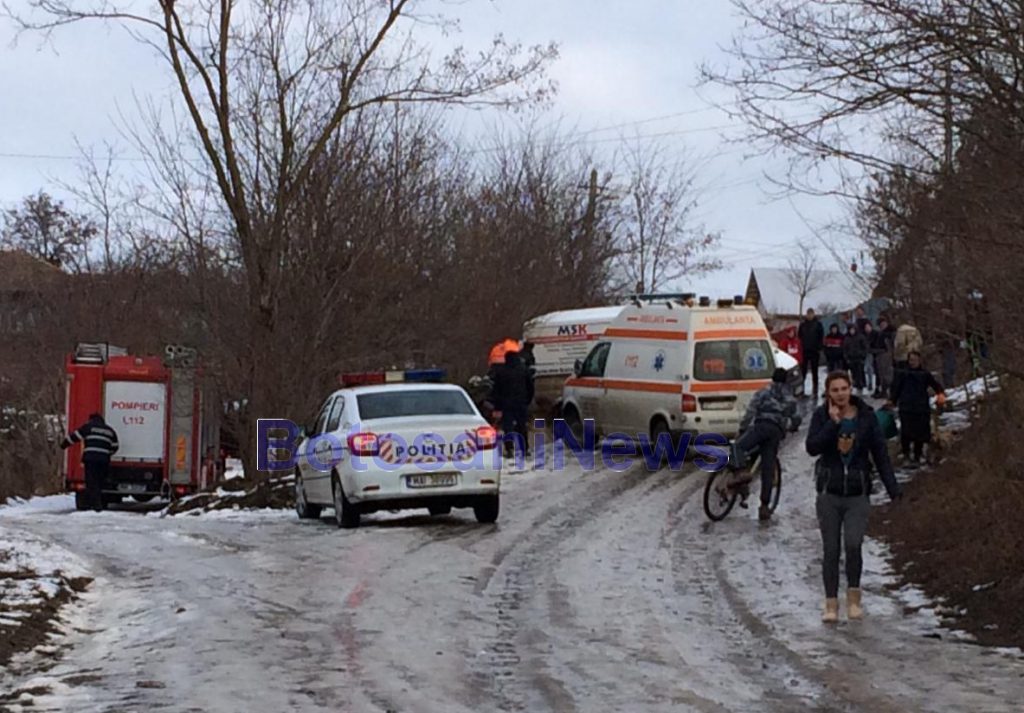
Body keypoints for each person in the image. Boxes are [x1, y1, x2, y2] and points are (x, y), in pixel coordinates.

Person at [806, 371, 902, 623]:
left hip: (857, 493)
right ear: (828, 393)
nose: (840, 394)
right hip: (829, 492)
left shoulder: (866, 417)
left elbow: (880, 454)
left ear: (850, 390)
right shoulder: (820, 415)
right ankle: (830, 604)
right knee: (831, 549)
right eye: (834, 390)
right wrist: (832, 424)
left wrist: (894, 490)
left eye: (843, 388)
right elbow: (812, 447)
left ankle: (854, 598)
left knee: (853, 543)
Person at [734, 367, 800, 521]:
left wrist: (743, 428)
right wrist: (792, 427)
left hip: (760, 427)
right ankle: (764, 506)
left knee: (737, 448)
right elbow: (796, 417)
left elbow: (751, 411)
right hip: (776, 432)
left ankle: (740, 475)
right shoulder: (789, 397)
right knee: (768, 469)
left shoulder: (763, 392)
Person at [889, 350, 946, 468]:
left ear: (919, 360)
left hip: (921, 408)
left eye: (915, 359)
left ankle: (917, 455)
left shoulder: (924, 374)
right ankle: (906, 455)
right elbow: (896, 389)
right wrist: (892, 401)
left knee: (920, 433)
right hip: (906, 407)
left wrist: (940, 394)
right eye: (911, 360)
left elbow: (935, 385)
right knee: (906, 432)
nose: (913, 362)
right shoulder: (903, 374)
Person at [61, 412, 120, 512]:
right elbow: (115, 447)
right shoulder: (110, 430)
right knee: (99, 481)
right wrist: (106, 454)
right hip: (103, 461)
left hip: (90, 459)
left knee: (91, 482)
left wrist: (63, 445)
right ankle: (99, 503)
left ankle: (96, 505)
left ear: (91, 420)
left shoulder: (88, 427)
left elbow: (74, 437)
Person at [491, 347, 533, 456]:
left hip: (507, 404)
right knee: (522, 426)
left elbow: (497, 390)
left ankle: (509, 449)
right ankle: (524, 448)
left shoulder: (501, 372)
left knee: (508, 427)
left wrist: (497, 407)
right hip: (521, 402)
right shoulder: (524, 370)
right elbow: (530, 387)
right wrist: (527, 400)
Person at [797, 308, 824, 398]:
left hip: (814, 351)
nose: (810, 316)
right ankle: (801, 390)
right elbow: (799, 337)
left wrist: (819, 348)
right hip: (804, 351)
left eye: (811, 314)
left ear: (813, 314)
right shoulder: (803, 325)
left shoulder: (818, 325)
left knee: (814, 371)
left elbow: (821, 337)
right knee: (803, 372)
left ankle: (815, 390)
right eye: (808, 314)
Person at [873, 317, 896, 398]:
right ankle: (884, 391)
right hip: (880, 354)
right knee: (881, 374)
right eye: (880, 325)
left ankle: (890, 392)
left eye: (883, 324)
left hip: (887, 354)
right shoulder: (881, 333)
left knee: (888, 374)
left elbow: (892, 345)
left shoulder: (891, 332)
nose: (882, 326)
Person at [842, 324, 868, 393]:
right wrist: (847, 358)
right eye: (850, 330)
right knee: (853, 373)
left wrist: (863, 356)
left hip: (859, 358)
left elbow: (865, 347)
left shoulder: (860, 337)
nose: (852, 331)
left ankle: (861, 386)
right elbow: (845, 349)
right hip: (851, 359)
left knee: (860, 373)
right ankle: (855, 385)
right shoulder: (847, 338)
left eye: (853, 329)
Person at [861, 322, 876, 395]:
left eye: (868, 327)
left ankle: (871, 383)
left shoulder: (875, 334)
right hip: (866, 353)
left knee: (869, 368)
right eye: (865, 327)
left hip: (873, 352)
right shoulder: (863, 335)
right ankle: (869, 383)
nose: (867, 328)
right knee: (867, 368)